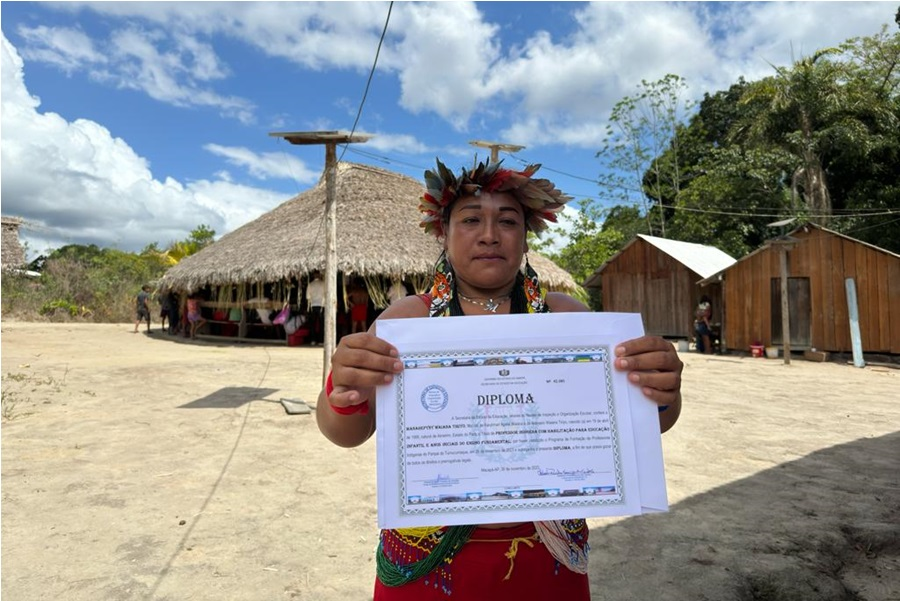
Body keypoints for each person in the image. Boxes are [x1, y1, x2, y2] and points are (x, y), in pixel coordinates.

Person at [316, 159, 684, 600]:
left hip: (545, 561)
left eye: (507, 221)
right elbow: (346, 434)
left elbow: (650, 423)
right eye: (471, 220)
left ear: (525, 238)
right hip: (428, 564)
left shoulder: (567, 318)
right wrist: (344, 390)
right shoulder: (406, 321)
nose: (489, 234)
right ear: (444, 234)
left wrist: (661, 390)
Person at [306, 272, 325, 345]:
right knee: (321, 324)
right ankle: (321, 340)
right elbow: (326, 294)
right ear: (319, 275)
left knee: (312, 324)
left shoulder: (310, 284)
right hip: (321, 305)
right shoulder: (323, 284)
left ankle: (313, 340)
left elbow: (308, 297)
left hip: (313, 305)